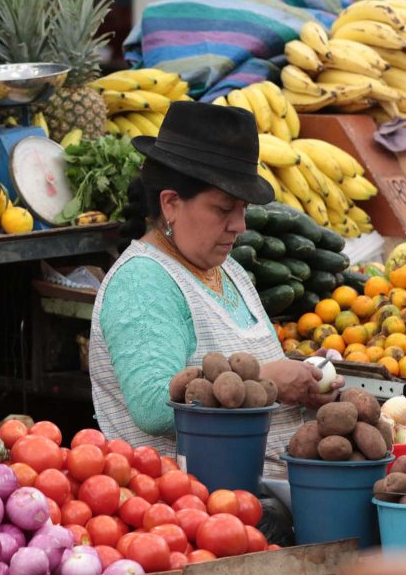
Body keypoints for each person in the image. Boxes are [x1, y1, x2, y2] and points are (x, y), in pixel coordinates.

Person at [89, 101, 342, 477]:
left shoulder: (227, 269)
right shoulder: (142, 283)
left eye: (243, 208)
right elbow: (153, 407)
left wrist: (303, 381)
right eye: (224, 209)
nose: (240, 225)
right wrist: (270, 380)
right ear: (171, 204)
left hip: (262, 492)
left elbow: (248, 369)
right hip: (192, 502)